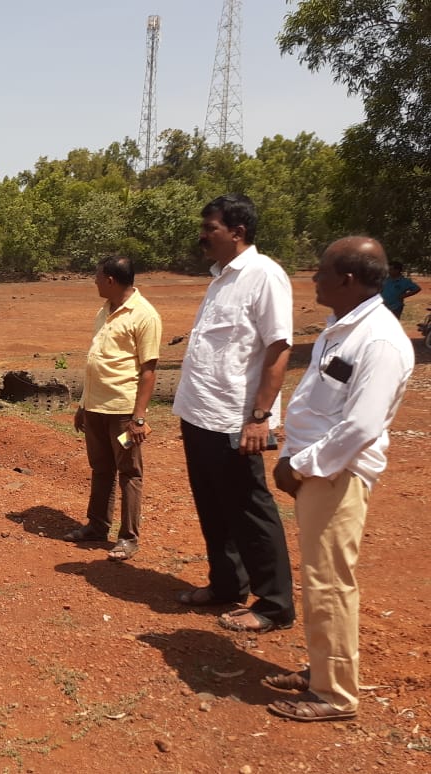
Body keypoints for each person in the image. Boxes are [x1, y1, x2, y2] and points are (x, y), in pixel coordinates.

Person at [265, 237, 413, 722]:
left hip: (337, 473)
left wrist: (299, 464)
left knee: (329, 582)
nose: (314, 278)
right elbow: (320, 404)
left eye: (322, 271)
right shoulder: (342, 328)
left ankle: (335, 695)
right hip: (318, 471)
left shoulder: (380, 341)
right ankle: (323, 671)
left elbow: (361, 427)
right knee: (319, 577)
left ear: (347, 280)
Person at [172, 193, 296, 633]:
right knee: (212, 506)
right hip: (198, 412)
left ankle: (275, 604)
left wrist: (260, 417)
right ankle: (227, 585)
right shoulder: (221, 278)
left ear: (237, 232)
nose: (202, 236)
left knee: (249, 509)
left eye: (211, 228)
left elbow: (279, 348)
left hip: (233, 419)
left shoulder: (265, 276)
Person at [64, 255, 162, 562]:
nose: (94, 281)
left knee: (129, 472)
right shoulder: (104, 310)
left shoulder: (145, 315)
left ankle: (128, 538)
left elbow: (149, 371)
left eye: (97, 276)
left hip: (122, 411)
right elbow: (96, 360)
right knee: (101, 468)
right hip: (95, 408)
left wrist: (138, 418)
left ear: (110, 280)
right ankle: (97, 526)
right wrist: (83, 405)